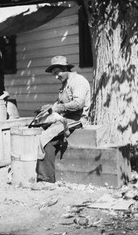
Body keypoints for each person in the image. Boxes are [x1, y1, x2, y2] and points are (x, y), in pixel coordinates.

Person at [36, 55, 91, 183]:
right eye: (54, 74)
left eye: (57, 73)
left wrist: (59, 108)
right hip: (65, 119)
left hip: (77, 120)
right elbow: (60, 103)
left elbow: (78, 104)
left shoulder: (78, 81)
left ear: (65, 68)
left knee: (45, 138)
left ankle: (45, 180)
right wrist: (49, 108)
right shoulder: (65, 84)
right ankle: (46, 175)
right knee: (42, 129)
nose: (56, 76)